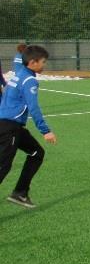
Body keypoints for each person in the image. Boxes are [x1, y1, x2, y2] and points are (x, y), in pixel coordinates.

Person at [0, 45, 56, 208]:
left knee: (37, 152)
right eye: (43, 62)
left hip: (11, 125)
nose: (44, 65)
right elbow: (34, 107)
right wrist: (46, 131)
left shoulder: (19, 75)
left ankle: (20, 193)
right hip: (9, 127)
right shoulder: (29, 80)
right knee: (3, 165)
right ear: (33, 62)